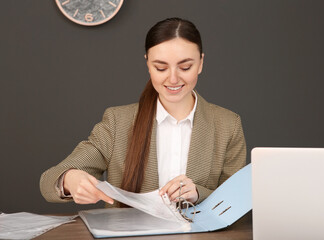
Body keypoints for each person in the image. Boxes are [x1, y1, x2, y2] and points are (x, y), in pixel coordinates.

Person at [40, 17, 246, 208]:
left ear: (200, 63)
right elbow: (49, 181)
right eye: (161, 68)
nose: (173, 79)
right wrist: (70, 180)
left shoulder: (228, 125)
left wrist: (198, 194)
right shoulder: (117, 122)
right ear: (148, 63)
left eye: (185, 67)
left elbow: (237, 202)